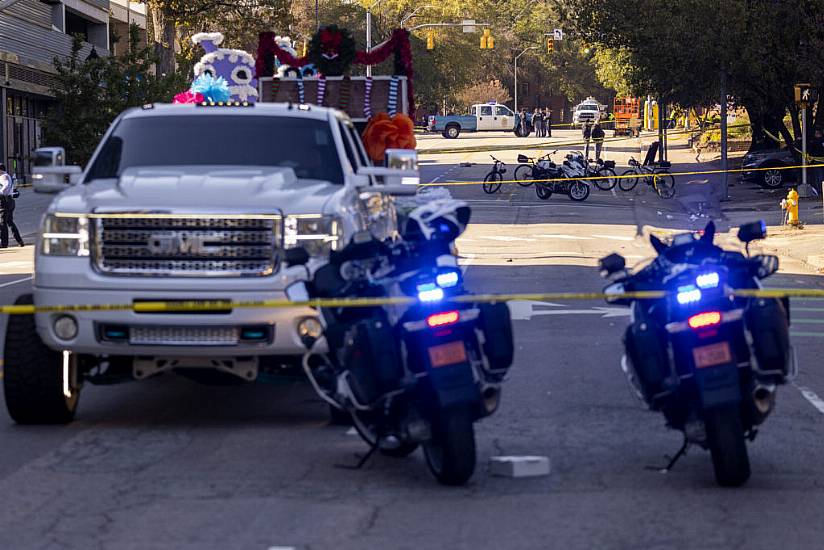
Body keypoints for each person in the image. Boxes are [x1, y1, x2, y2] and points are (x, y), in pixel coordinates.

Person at [0, 163, 24, 248]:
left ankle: (4, 243)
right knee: (9, 222)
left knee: (2, 223)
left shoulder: (4, 176)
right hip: (9, 201)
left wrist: (0, 193)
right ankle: (19, 240)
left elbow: (6, 187)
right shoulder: (5, 176)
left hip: (4, 201)